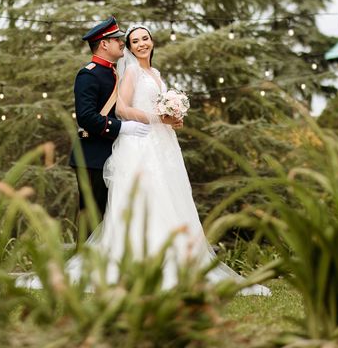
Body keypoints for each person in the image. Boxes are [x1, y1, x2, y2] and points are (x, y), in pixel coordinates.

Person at [89, 24, 271, 295]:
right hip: (140, 143)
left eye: (145, 39)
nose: (141, 44)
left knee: (171, 197)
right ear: (128, 47)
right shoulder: (132, 72)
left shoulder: (155, 73)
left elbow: (157, 108)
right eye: (135, 41)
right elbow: (122, 109)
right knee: (147, 199)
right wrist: (156, 118)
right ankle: (141, 262)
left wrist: (173, 119)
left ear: (152, 42)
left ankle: (177, 260)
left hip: (162, 143)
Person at [68, 16, 150, 225]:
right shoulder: (89, 75)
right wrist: (122, 127)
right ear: (104, 44)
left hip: (114, 156)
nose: (122, 42)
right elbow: (86, 117)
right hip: (93, 157)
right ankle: (84, 258)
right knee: (92, 219)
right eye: (116, 39)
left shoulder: (114, 72)